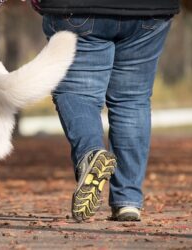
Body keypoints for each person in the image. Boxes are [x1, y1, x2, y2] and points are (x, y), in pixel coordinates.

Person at [31, 0, 180, 222]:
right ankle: (128, 201)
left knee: (78, 92)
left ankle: (91, 154)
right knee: (132, 100)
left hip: (78, 9)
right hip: (150, 11)